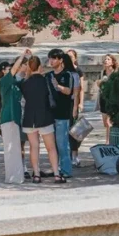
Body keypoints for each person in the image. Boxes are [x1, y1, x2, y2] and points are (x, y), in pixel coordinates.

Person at [19, 54, 65, 184]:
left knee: (34, 147)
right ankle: (56, 174)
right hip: (44, 117)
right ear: (40, 66)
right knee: (51, 148)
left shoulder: (24, 83)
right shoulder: (46, 80)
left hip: (29, 118)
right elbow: (54, 96)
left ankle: (36, 174)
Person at [0, 55, 27, 185]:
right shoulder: (5, 81)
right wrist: (23, 55)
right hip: (9, 118)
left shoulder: (15, 83)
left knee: (16, 148)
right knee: (10, 148)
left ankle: (17, 175)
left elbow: (22, 78)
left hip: (15, 118)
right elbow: (15, 71)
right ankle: (12, 176)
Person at [46, 48, 75, 178]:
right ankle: (55, 168)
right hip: (49, 114)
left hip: (62, 114)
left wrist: (58, 86)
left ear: (60, 60)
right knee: (52, 146)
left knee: (62, 144)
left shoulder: (67, 75)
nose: (51, 61)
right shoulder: (48, 75)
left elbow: (69, 91)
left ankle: (66, 170)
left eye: (54, 58)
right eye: (50, 58)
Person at [66, 49, 85, 167]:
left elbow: (81, 89)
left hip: (74, 102)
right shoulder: (63, 70)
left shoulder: (78, 71)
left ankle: (75, 154)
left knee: (75, 131)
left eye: (71, 56)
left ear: (75, 58)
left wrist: (80, 103)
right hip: (64, 104)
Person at [97, 54, 119, 144]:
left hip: (112, 99)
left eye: (108, 59)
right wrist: (101, 81)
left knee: (108, 121)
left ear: (112, 62)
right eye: (105, 59)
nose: (106, 61)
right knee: (105, 123)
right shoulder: (102, 73)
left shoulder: (115, 73)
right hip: (103, 98)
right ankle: (110, 138)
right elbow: (98, 84)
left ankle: (108, 141)